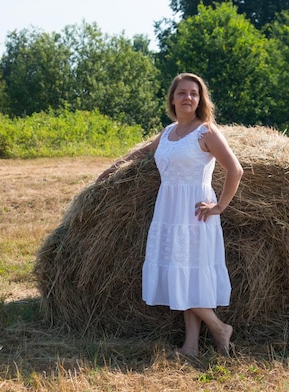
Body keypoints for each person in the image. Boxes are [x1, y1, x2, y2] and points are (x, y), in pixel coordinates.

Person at [97, 73, 243, 356]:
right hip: (168, 209)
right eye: (182, 93)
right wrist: (111, 170)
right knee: (182, 274)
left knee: (185, 274)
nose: (188, 98)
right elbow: (141, 153)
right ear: (172, 99)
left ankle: (219, 327)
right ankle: (190, 347)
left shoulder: (207, 132)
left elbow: (235, 170)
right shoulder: (168, 133)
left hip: (195, 213)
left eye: (194, 93)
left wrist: (219, 207)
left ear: (200, 100)